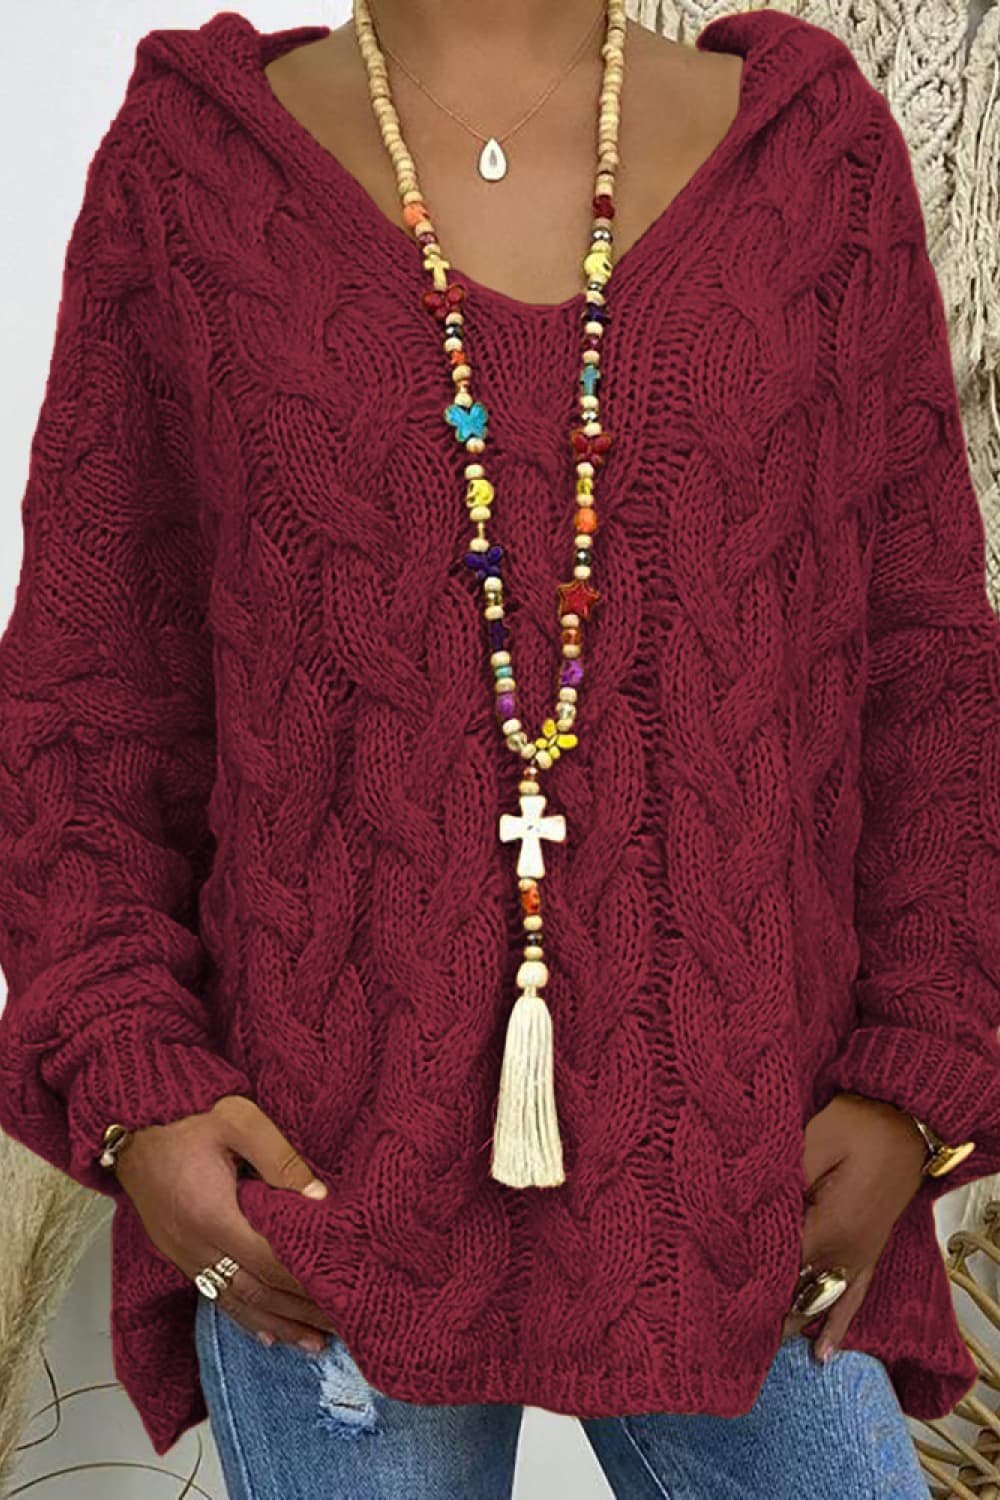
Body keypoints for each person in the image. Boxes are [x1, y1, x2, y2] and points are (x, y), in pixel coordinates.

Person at [0, 1, 997, 1495]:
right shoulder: (191, 171)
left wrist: (917, 1074)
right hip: (317, 1201)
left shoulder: (812, 162)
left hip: (752, 1183)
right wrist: (137, 1086)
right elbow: (91, 693)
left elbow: (928, 670)